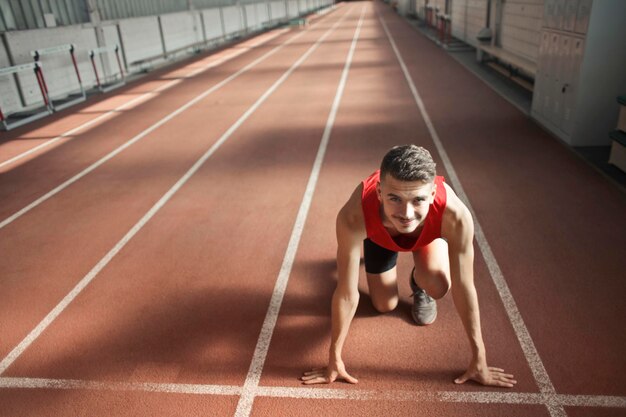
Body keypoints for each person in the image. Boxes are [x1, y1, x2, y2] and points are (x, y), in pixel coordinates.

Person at [301, 145, 516, 387]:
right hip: (380, 236)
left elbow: (465, 287)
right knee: (384, 304)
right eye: (395, 198)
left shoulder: (455, 217)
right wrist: (334, 357)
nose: (406, 213)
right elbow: (346, 292)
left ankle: (418, 282)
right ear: (380, 192)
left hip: (427, 234)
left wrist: (479, 358)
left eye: (418, 200)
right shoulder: (354, 216)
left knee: (438, 285)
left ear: (433, 194)